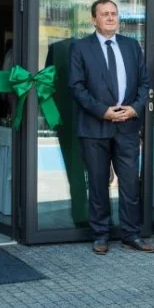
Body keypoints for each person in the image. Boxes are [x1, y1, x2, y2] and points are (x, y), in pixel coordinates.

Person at [68, 0, 153, 256]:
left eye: (114, 14)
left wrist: (135, 108)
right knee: (97, 183)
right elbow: (76, 87)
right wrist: (103, 111)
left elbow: (145, 83)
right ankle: (100, 235)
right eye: (104, 14)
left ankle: (131, 234)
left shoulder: (131, 46)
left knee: (129, 183)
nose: (110, 18)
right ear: (94, 19)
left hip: (127, 125)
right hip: (95, 126)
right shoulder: (81, 48)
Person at [45, 39, 89, 226]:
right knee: (84, 168)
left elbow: (47, 83)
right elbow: (47, 83)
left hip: (74, 116)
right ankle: (89, 215)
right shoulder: (58, 49)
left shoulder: (58, 49)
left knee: (77, 168)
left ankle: (82, 215)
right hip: (73, 116)